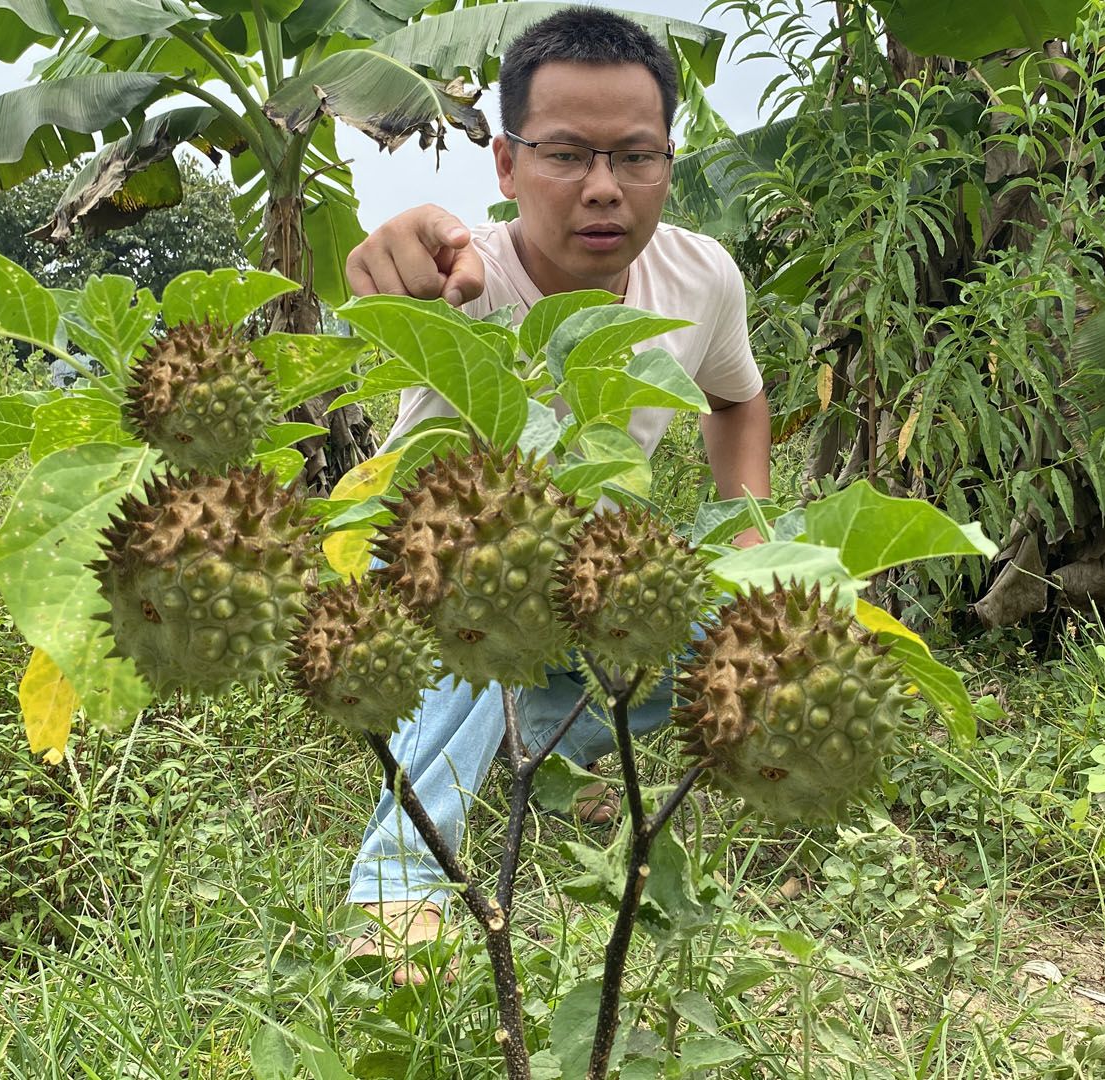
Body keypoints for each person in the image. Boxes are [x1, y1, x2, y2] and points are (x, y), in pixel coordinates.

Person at [340, 7, 771, 985]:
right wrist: (396, 262)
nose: (604, 189)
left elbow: (740, 402)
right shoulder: (470, 279)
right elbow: (409, 262)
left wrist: (749, 546)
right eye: (566, 154)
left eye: (636, 156)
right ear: (504, 165)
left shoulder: (702, 278)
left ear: (668, 159)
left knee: (762, 640)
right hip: (434, 581)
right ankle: (398, 890)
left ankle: (559, 730)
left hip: (588, 583)